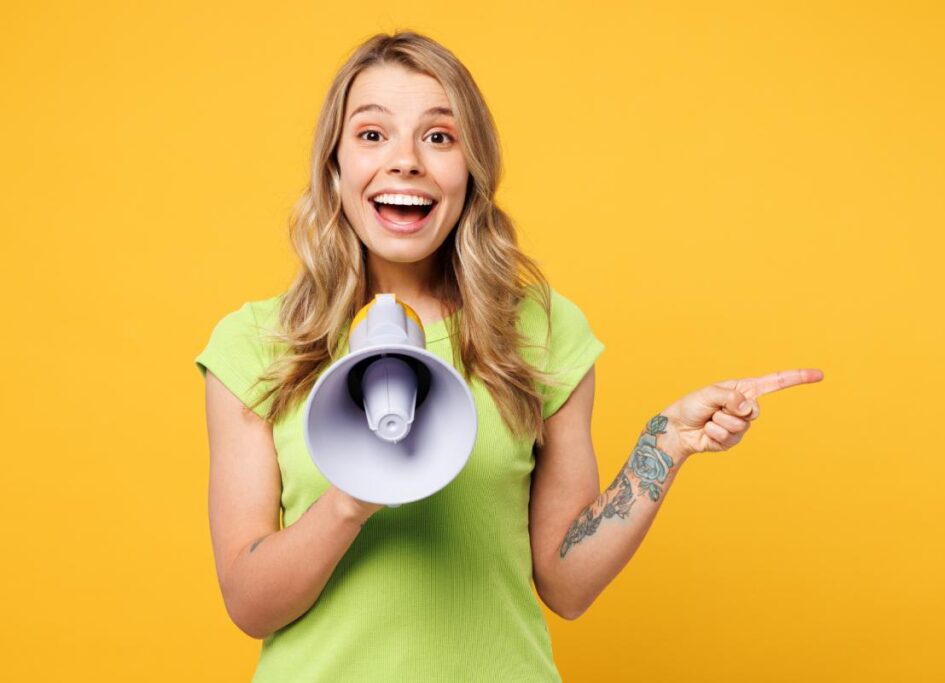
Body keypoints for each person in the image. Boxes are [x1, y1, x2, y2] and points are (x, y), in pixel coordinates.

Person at [195, 31, 824, 682]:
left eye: (439, 136)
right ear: (334, 166)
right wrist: (350, 500)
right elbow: (249, 601)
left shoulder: (541, 331)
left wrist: (662, 447)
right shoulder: (258, 345)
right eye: (373, 135)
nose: (405, 160)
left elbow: (567, 584)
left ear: (472, 169)